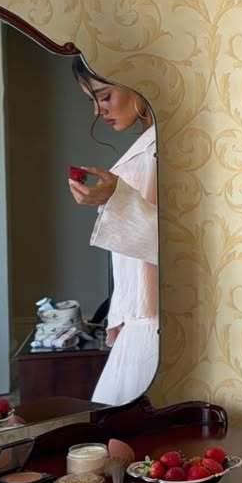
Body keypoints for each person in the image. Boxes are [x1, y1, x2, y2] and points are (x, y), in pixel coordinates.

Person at [68, 59, 158, 406]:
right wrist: (119, 313)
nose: (98, 111)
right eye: (92, 100)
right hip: (137, 315)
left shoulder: (160, 151)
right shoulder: (147, 147)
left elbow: (174, 242)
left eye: (105, 96)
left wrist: (115, 198)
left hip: (153, 318)